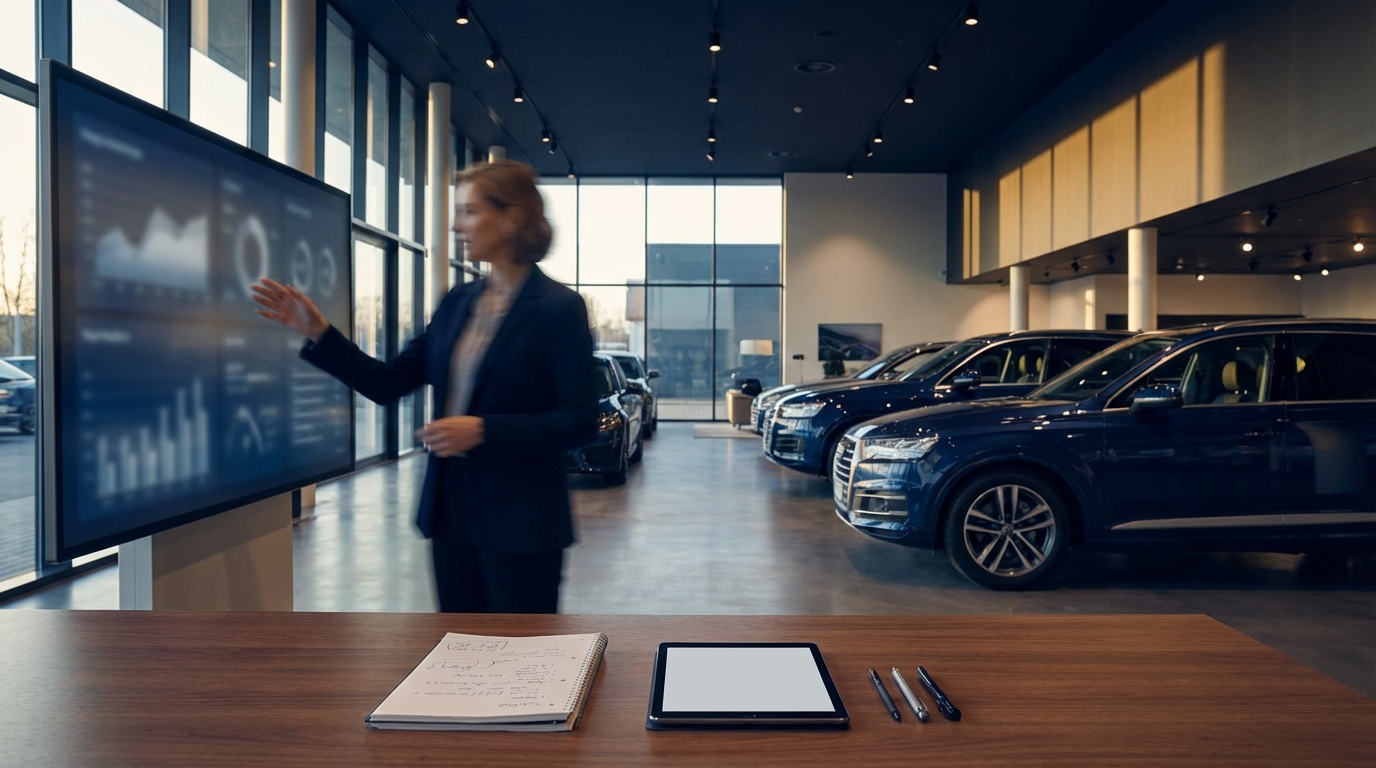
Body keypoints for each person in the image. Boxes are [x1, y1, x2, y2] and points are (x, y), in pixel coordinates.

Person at [250, 160, 598, 613]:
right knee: (460, 659)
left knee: (522, 665)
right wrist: (319, 332)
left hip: (523, 525)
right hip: (452, 517)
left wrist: (484, 430)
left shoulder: (559, 308)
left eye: (470, 211)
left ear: (512, 217)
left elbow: (579, 421)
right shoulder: (458, 303)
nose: (457, 226)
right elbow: (388, 382)